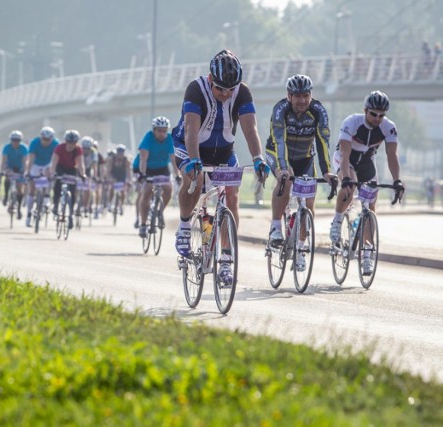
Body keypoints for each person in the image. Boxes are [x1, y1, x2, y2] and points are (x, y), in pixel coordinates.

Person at [172, 49, 269, 283]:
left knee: (232, 196)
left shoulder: (242, 92)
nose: (226, 94)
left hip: (224, 150)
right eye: (220, 89)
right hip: (190, 146)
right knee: (191, 179)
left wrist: (258, 158)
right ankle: (185, 225)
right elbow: (191, 130)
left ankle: (226, 258)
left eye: (230, 89)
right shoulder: (195, 89)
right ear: (209, 79)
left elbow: (249, 128)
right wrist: (194, 160)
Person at [329, 90, 405, 275]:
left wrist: (397, 181)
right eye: (373, 114)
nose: (377, 118)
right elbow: (345, 154)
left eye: (381, 115)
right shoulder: (352, 122)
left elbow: (392, 156)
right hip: (345, 158)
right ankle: (337, 221)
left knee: (371, 206)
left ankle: (367, 256)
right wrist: (345, 177)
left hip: (367, 161)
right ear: (365, 110)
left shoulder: (389, 127)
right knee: (350, 185)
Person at [265, 74, 335, 271]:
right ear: (289, 96)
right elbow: (279, 141)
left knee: (309, 203)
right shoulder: (280, 110)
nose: (303, 100)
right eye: (298, 96)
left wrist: (327, 171)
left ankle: (301, 248)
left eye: (306, 95)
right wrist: (283, 168)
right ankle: (276, 227)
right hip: (277, 153)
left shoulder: (318, 111)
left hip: (305, 157)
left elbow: (323, 142)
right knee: (285, 181)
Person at [137, 116, 181, 238]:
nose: (162, 134)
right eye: (159, 131)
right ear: (154, 130)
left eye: (164, 131)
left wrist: (177, 175)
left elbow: (173, 160)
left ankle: (159, 211)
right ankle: (143, 224)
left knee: (168, 188)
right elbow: (143, 159)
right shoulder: (148, 138)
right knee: (146, 192)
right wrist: (142, 174)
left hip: (162, 168)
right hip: (149, 169)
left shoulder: (170, 139)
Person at [49, 129, 86, 229]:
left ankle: (70, 214)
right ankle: (56, 204)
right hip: (60, 167)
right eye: (69, 142)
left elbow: (80, 164)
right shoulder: (59, 148)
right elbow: (54, 163)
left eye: (73, 143)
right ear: (66, 141)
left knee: (72, 192)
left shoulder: (78, 149)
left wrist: (83, 174)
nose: (71, 145)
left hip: (71, 169)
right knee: (57, 185)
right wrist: (53, 174)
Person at [24, 126, 59, 227]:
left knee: (49, 181)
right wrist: (27, 172)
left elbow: (55, 159)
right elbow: (30, 159)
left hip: (47, 164)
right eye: (44, 139)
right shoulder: (34, 143)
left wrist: (52, 172)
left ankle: (46, 198)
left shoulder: (55, 144)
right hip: (35, 164)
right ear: (41, 137)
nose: (46, 141)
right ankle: (29, 214)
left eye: (48, 139)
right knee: (32, 188)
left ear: (52, 139)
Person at [1, 130, 28, 219]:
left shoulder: (24, 148)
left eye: (17, 141)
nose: (15, 142)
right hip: (10, 167)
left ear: (20, 141)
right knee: (7, 179)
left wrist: (24, 171)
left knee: (20, 188)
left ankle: (19, 209)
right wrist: (5, 170)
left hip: (19, 168)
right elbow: (4, 161)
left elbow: (25, 161)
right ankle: (5, 196)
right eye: (14, 140)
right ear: (11, 140)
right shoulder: (7, 147)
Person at [105, 144, 131, 214]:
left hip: (122, 176)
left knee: (122, 191)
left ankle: (121, 205)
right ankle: (110, 203)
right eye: (119, 153)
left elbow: (129, 171)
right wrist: (109, 178)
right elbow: (108, 170)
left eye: (121, 153)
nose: (120, 155)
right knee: (112, 188)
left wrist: (129, 180)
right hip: (114, 175)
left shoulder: (126, 160)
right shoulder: (112, 159)